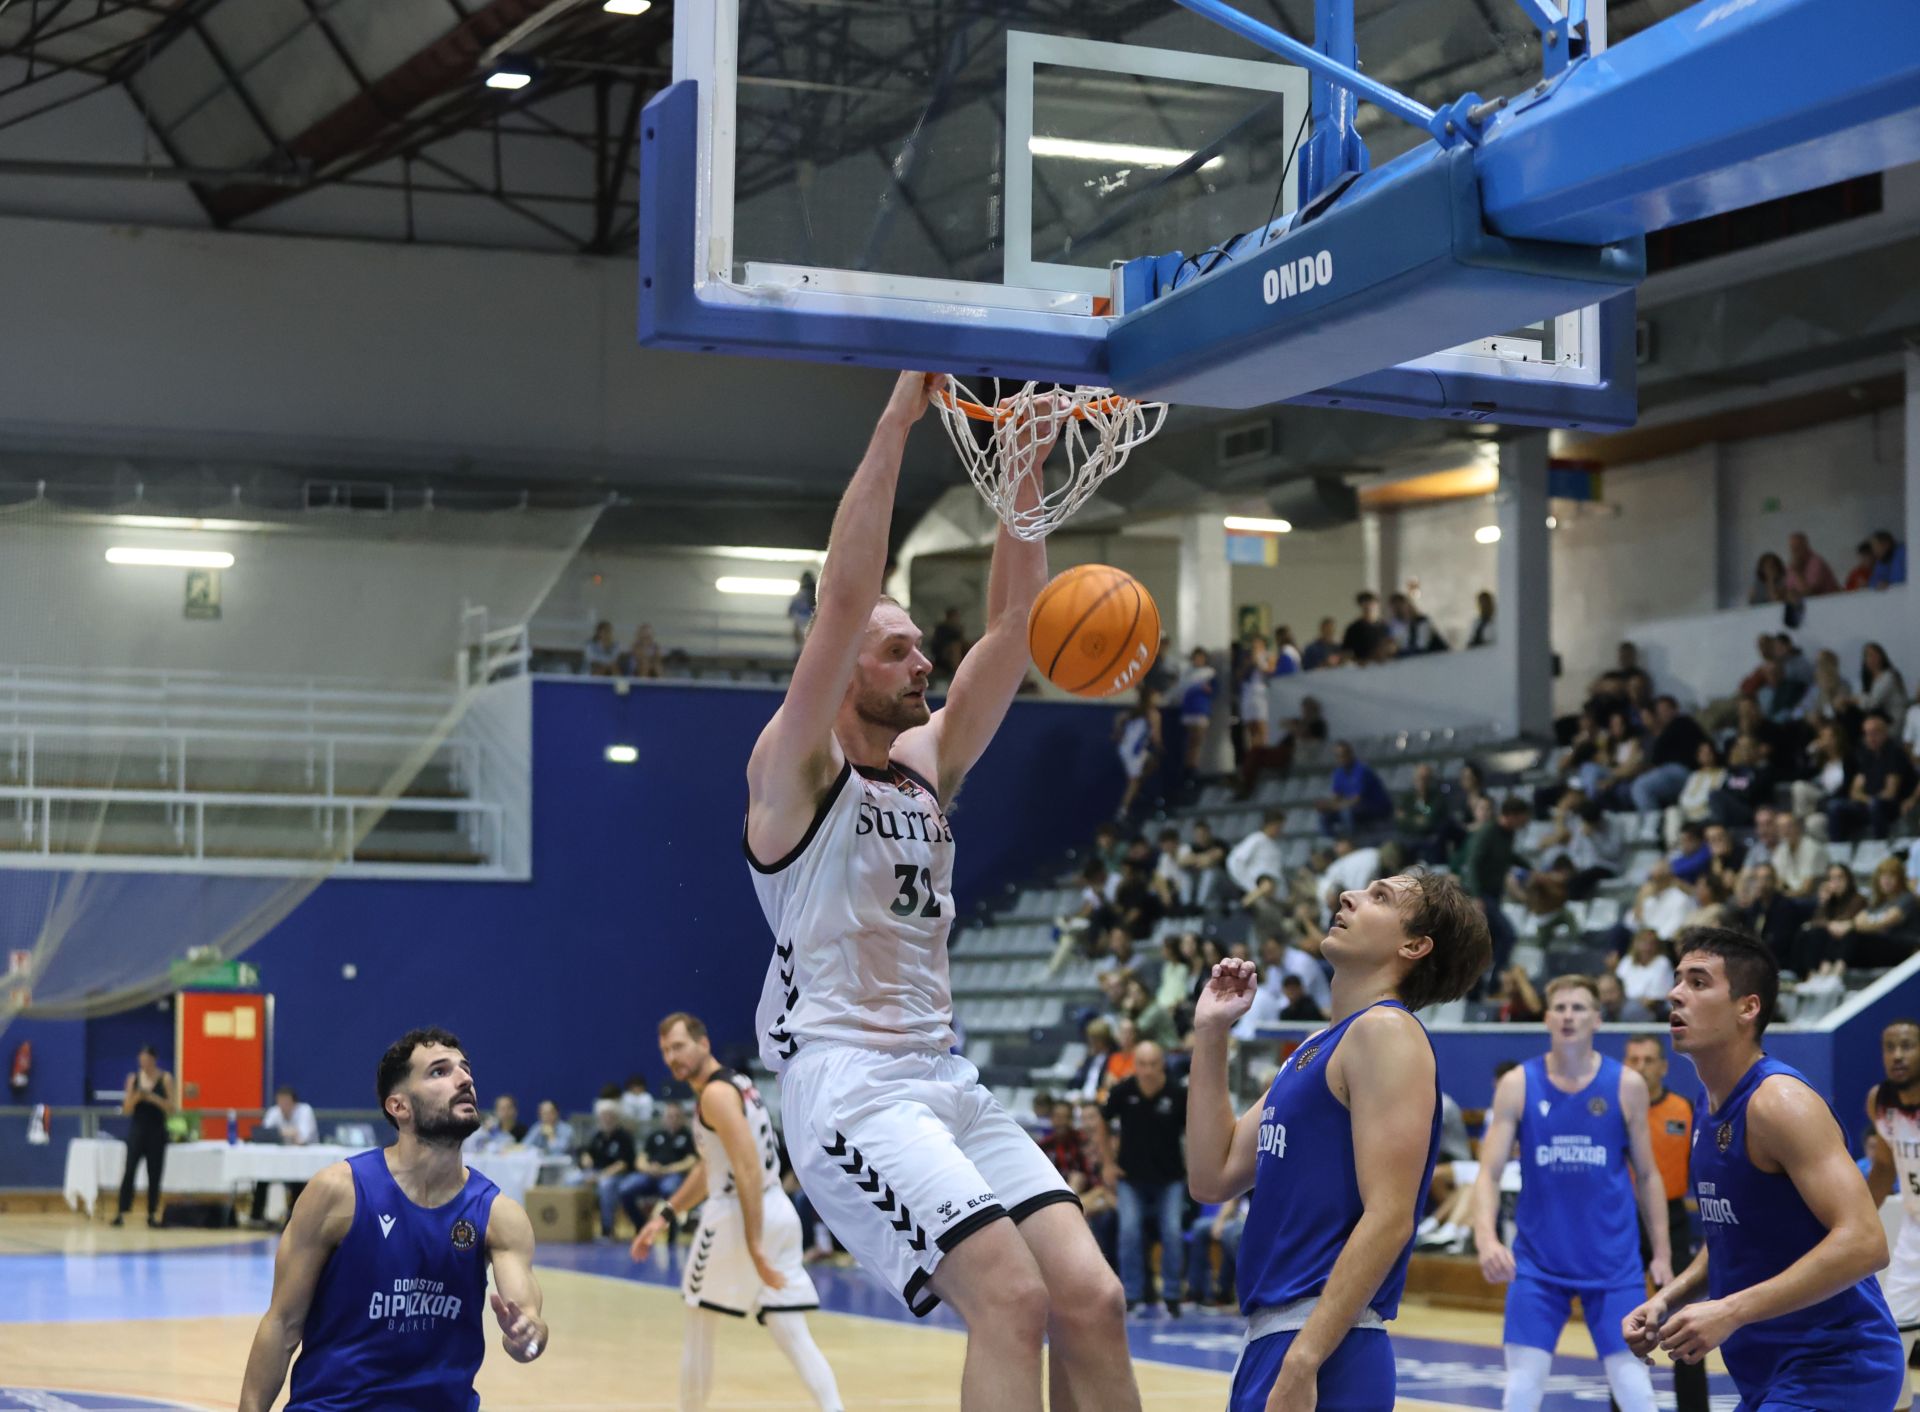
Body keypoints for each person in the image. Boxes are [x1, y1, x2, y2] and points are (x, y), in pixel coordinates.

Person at [744, 373, 1136, 1412]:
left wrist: (1026, 474)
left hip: (941, 1075)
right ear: (841, 671)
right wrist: (894, 424)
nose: (923, 657)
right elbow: (841, 599)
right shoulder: (795, 770)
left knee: (1090, 1295)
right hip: (850, 1085)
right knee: (1009, 1297)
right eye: (897, 646)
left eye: (921, 641)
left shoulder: (926, 764)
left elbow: (1015, 622)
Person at [1187, 868, 1492, 1411]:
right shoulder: (1318, 1045)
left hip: (1326, 1343)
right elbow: (1213, 1176)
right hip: (1277, 1334)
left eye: (1380, 897)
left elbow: (1391, 1216)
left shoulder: (1387, 1032)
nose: (1349, 896)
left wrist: (1305, 1358)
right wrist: (1211, 1033)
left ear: (1414, 945)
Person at [1624, 929, 1903, 1406]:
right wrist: (1670, 1298)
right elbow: (1736, 1234)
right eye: (1677, 980)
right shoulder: (1708, 1105)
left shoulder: (1779, 1102)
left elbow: (1865, 1243)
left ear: (1747, 1008)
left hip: (1836, 1367)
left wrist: (1729, 1310)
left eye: (1698, 982)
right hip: (1771, 1374)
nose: (1675, 993)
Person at [237, 1027, 546, 1411]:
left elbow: (527, 1319)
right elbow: (282, 1324)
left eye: (465, 1069)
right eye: (439, 1071)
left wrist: (528, 1334)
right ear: (398, 1106)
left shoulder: (499, 1213)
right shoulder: (338, 1191)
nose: (465, 1078)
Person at [1472, 976, 1672, 1412]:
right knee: (1521, 1390)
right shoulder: (1518, 1084)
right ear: (1545, 1018)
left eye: (1579, 1008)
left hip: (1613, 1264)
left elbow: (1649, 1174)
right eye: (1559, 1007)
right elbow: (1488, 1173)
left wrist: (1661, 1253)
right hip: (1539, 1264)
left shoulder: (1626, 1085)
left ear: (1598, 1019)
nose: (1568, 1016)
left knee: (1636, 1392)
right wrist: (1486, 1239)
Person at [631, 1013, 843, 1412]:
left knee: (698, 1323)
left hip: (739, 1214)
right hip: (776, 1208)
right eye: (665, 1051)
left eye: (678, 1046)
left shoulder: (714, 1095)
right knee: (789, 1330)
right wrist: (666, 1213)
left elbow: (745, 1166)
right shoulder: (738, 1083)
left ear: (703, 1043)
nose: (671, 1058)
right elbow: (713, 1165)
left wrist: (753, 1242)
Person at [1617, 1035, 1708, 1412]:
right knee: (1625, 1320)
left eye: (1649, 1059)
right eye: (1634, 1059)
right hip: (1622, 1221)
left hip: (1671, 1220)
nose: (1641, 1066)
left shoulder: (1683, 1109)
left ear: (1663, 1066)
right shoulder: (1614, 1111)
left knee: (1680, 1318)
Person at [1100, 1042, 1190, 1316]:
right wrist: (1107, 1163)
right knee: (1129, 1232)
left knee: (1172, 1233)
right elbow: (1101, 1121)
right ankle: (1133, 1295)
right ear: (1135, 1065)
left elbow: (1194, 1131)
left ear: (1163, 1064)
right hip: (1130, 1177)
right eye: (1143, 1064)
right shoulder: (1122, 1091)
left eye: (1154, 1064)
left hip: (1170, 1177)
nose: (1148, 1070)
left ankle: (1173, 1295)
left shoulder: (1178, 1094)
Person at [1866, 1017, 1920, 1411]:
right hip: (1914, 1237)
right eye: (1889, 1046)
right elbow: (1884, 1169)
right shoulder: (1879, 1101)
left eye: (1907, 1046)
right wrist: (1855, 1218)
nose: (1897, 1055)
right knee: (1889, 1337)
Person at [115, 1045, 175, 1229]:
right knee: (129, 1171)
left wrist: (153, 1099)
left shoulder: (165, 1078)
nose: (144, 1064)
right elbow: (126, 1109)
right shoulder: (133, 1078)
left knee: (154, 1173)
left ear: (154, 1060)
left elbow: (172, 1108)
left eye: (147, 1060)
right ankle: (122, 1212)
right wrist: (137, 1097)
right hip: (137, 1130)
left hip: (156, 1131)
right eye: (141, 1060)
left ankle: (151, 1213)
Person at [251, 1085, 320, 1227]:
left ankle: (294, 1216)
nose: (282, 1106)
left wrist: (281, 1132)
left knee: (296, 1177)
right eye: (280, 1102)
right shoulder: (274, 1112)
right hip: (279, 1159)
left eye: (286, 1102)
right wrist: (287, 1132)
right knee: (263, 1175)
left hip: (303, 1161)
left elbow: (303, 1138)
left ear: (294, 1102)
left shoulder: (305, 1111)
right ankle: (256, 1216)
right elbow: (266, 1133)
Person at [1113, 688, 1163, 819]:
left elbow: (1118, 718)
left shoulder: (1134, 711)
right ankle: (1122, 812)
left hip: (1125, 748)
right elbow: (1156, 737)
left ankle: (1136, 789)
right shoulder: (1153, 714)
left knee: (1152, 764)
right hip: (1135, 751)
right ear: (1150, 698)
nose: (1158, 698)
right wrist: (1160, 747)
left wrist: (1118, 733)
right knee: (1134, 781)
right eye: (1156, 695)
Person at [1176, 648, 1216, 779]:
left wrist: (1208, 689)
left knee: (1197, 741)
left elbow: (1215, 690)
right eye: (1196, 657)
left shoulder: (1209, 673)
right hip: (1188, 710)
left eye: (1201, 657)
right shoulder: (1186, 673)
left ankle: (1193, 769)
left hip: (1201, 710)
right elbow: (1180, 690)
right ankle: (1188, 770)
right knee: (1189, 741)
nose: (1198, 660)